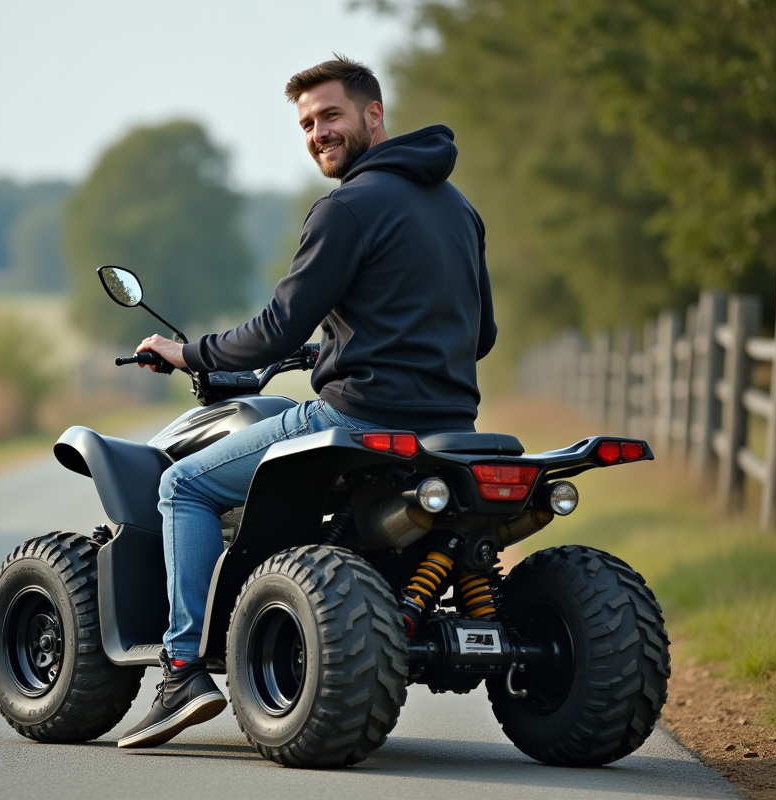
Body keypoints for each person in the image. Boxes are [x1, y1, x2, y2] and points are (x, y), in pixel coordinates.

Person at [116, 54, 497, 749]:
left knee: (183, 485)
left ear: (373, 115)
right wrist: (351, 344)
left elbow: (275, 331)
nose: (319, 132)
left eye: (330, 115)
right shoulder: (458, 208)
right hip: (451, 427)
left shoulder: (346, 207)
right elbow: (484, 335)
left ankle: (181, 671)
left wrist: (188, 353)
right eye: (307, 124)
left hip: (357, 416)